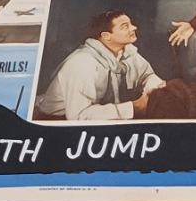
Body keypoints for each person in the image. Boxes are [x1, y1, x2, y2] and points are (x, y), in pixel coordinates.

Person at [37, 10, 167, 121]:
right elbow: (79, 115)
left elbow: (146, 75)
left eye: (131, 24)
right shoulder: (84, 63)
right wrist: (133, 107)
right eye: (125, 26)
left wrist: (154, 87)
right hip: (59, 120)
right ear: (106, 36)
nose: (134, 28)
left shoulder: (127, 52)